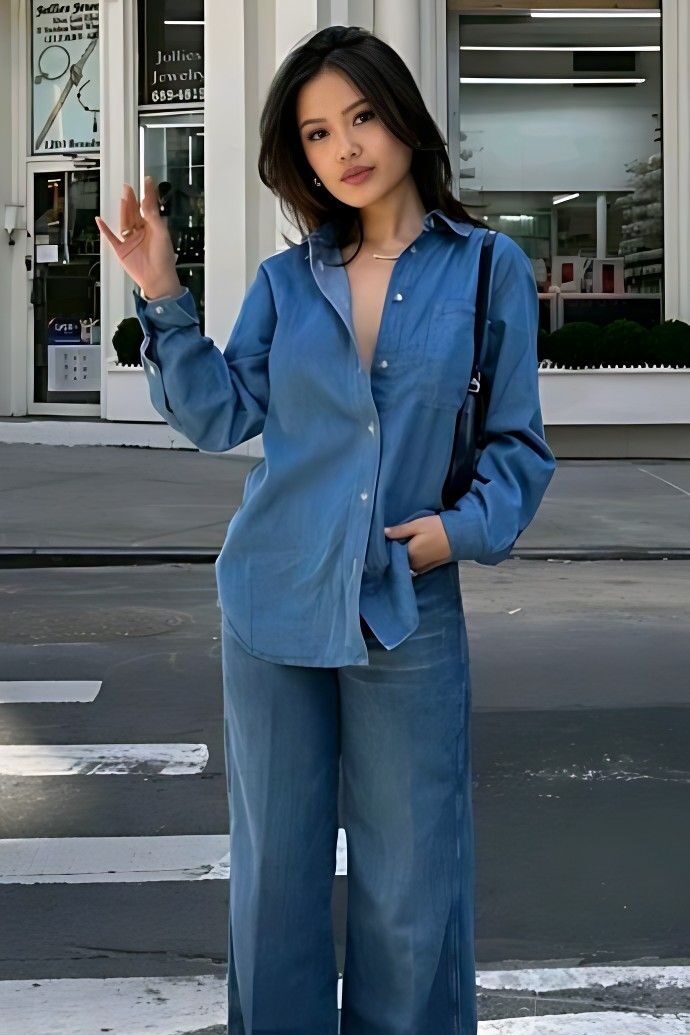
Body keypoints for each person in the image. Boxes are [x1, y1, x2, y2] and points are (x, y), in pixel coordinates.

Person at [96, 24, 556, 1035]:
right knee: (276, 883)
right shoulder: (283, 282)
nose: (344, 147)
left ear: (401, 118)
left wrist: (454, 533)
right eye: (315, 133)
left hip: (407, 602)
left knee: (410, 883)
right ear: (296, 157)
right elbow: (219, 417)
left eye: (359, 117)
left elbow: (518, 448)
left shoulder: (487, 269)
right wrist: (162, 292)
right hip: (273, 603)